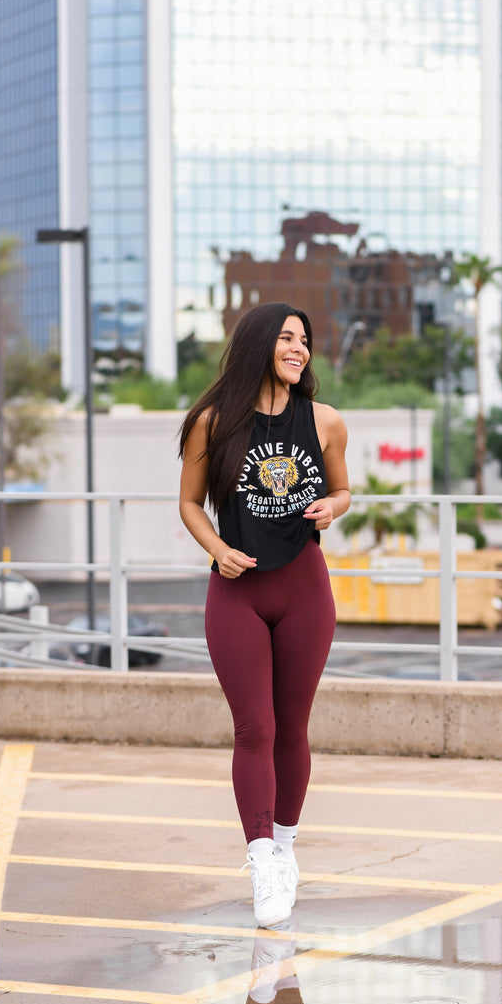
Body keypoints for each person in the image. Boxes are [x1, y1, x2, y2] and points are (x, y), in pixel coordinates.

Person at [178, 302, 351, 928]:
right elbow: (190, 504)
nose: (299, 349)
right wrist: (218, 549)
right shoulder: (212, 422)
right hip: (238, 590)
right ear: (257, 344)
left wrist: (333, 507)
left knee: (293, 726)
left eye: (305, 340)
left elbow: (342, 490)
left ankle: (285, 847)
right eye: (287, 338)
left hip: (305, 586)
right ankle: (261, 861)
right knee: (255, 728)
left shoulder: (325, 420)